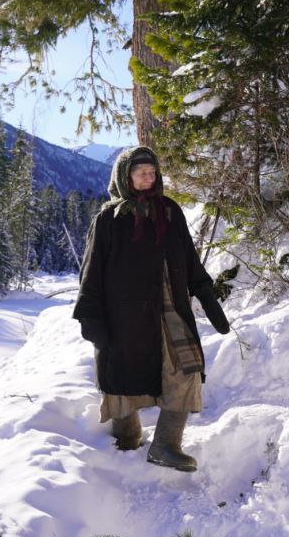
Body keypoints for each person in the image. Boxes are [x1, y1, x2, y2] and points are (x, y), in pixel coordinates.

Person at [73, 146, 230, 472]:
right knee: (122, 379)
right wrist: (89, 315)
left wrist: (206, 294)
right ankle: (126, 440)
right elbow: (91, 272)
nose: (148, 176)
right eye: (140, 171)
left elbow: (189, 259)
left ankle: (165, 445)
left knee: (186, 371)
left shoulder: (170, 212)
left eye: (152, 171)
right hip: (124, 316)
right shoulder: (108, 219)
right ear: (125, 176)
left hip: (171, 309)